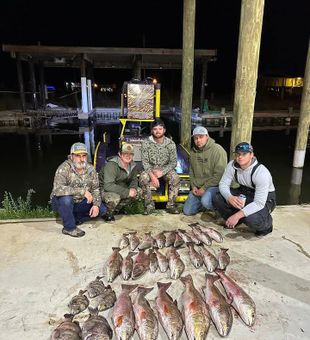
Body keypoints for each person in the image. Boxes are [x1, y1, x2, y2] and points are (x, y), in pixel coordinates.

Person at [213, 142, 276, 236]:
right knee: (217, 197)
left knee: (251, 219)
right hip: (245, 192)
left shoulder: (261, 173)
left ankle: (266, 225)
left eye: (244, 154)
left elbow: (259, 203)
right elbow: (223, 184)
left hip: (265, 199)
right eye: (238, 154)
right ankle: (236, 220)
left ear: (251, 155)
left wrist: (237, 215)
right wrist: (229, 197)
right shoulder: (232, 165)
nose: (240, 157)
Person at [50, 142, 107, 238]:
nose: (81, 159)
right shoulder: (63, 168)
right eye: (78, 156)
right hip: (63, 202)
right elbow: (58, 189)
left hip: (80, 202)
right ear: (71, 156)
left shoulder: (90, 169)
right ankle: (69, 228)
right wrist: (82, 191)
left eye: (84, 156)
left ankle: (75, 218)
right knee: (66, 200)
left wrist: (96, 205)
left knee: (102, 210)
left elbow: (96, 188)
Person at [183, 126, 227, 216]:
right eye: (196, 138)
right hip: (198, 187)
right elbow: (191, 171)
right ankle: (204, 205)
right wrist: (193, 186)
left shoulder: (218, 150)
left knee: (206, 201)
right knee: (187, 211)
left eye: (201, 137)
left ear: (207, 136)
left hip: (215, 186)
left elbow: (219, 175)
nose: (198, 140)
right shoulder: (193, 152)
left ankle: (221, 211)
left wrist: (204, 188)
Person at [139, 118, 180, 214]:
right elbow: (145, 162)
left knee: (175, 178)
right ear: (152, 130)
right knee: (143, 178)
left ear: (164, 130)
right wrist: (153, 176)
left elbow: (173, 162)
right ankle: (149, 206)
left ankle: (171, 205)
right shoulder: (146, 143)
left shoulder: (170, 143)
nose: (158, 131)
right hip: (151, 170)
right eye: (155, 129)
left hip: (164, 169)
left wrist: (162, 172)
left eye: (160, 129)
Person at [99, 143, 139, 221]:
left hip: (119, 187)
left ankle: (117, 209)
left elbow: (133, 180)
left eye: (131, 154)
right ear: (120, 154)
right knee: (115, 197)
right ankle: (106, 212)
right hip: (104, 190)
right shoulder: (111, 165)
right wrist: (127, 192)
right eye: (125, 153)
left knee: (138, 192)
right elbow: (108, 185)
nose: (128, 156)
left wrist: (133, 188)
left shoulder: (133, 165)